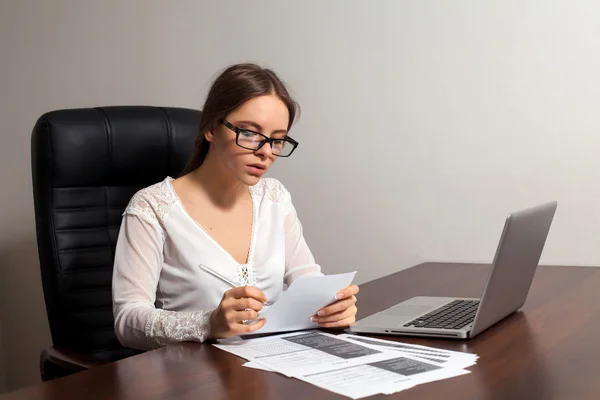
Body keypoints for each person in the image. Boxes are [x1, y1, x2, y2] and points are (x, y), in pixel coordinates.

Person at [112, 63, 359, 350]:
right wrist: (208, 323)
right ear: (211, 130)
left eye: (277, 140)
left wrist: (332, 307)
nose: (265, 151)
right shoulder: (153, 207)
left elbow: (309, 282)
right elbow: (127, 320)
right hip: (195, 375)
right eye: (250, 133)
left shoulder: (274, 198)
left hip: (275, 366)